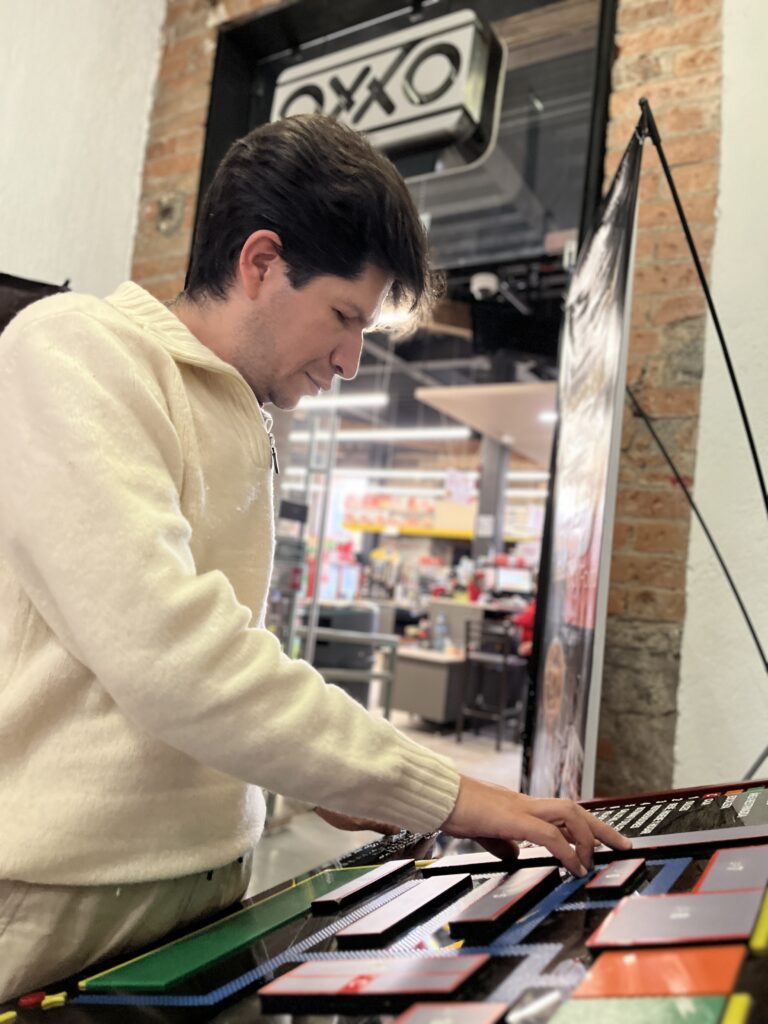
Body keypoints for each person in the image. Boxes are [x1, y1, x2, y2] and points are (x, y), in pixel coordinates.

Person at [0, 114, 629, 999]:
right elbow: (171, 655)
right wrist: (437, 788)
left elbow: (223, 669)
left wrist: (318, 770)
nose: (350, 359)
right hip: (62, 903)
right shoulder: (76, 349)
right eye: (343, 316)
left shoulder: (246, 413)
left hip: (212, 889)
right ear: (261, 262)